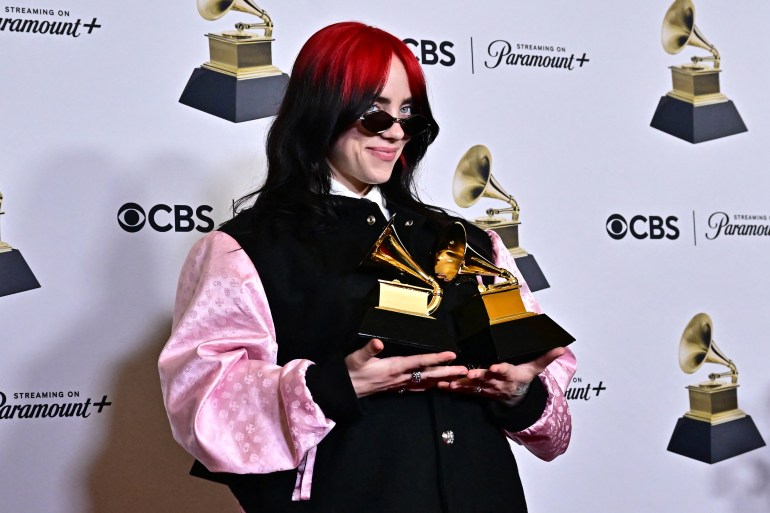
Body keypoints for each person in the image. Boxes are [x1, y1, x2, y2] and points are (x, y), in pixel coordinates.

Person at [159, 21, 576, 513]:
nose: (396, 132)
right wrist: (331, 386)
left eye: (409, 116)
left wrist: (519, 391)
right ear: (323, 110)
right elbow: (205, 408)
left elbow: (551, 429)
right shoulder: (241, 250)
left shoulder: (474, 243)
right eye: (375, 115)